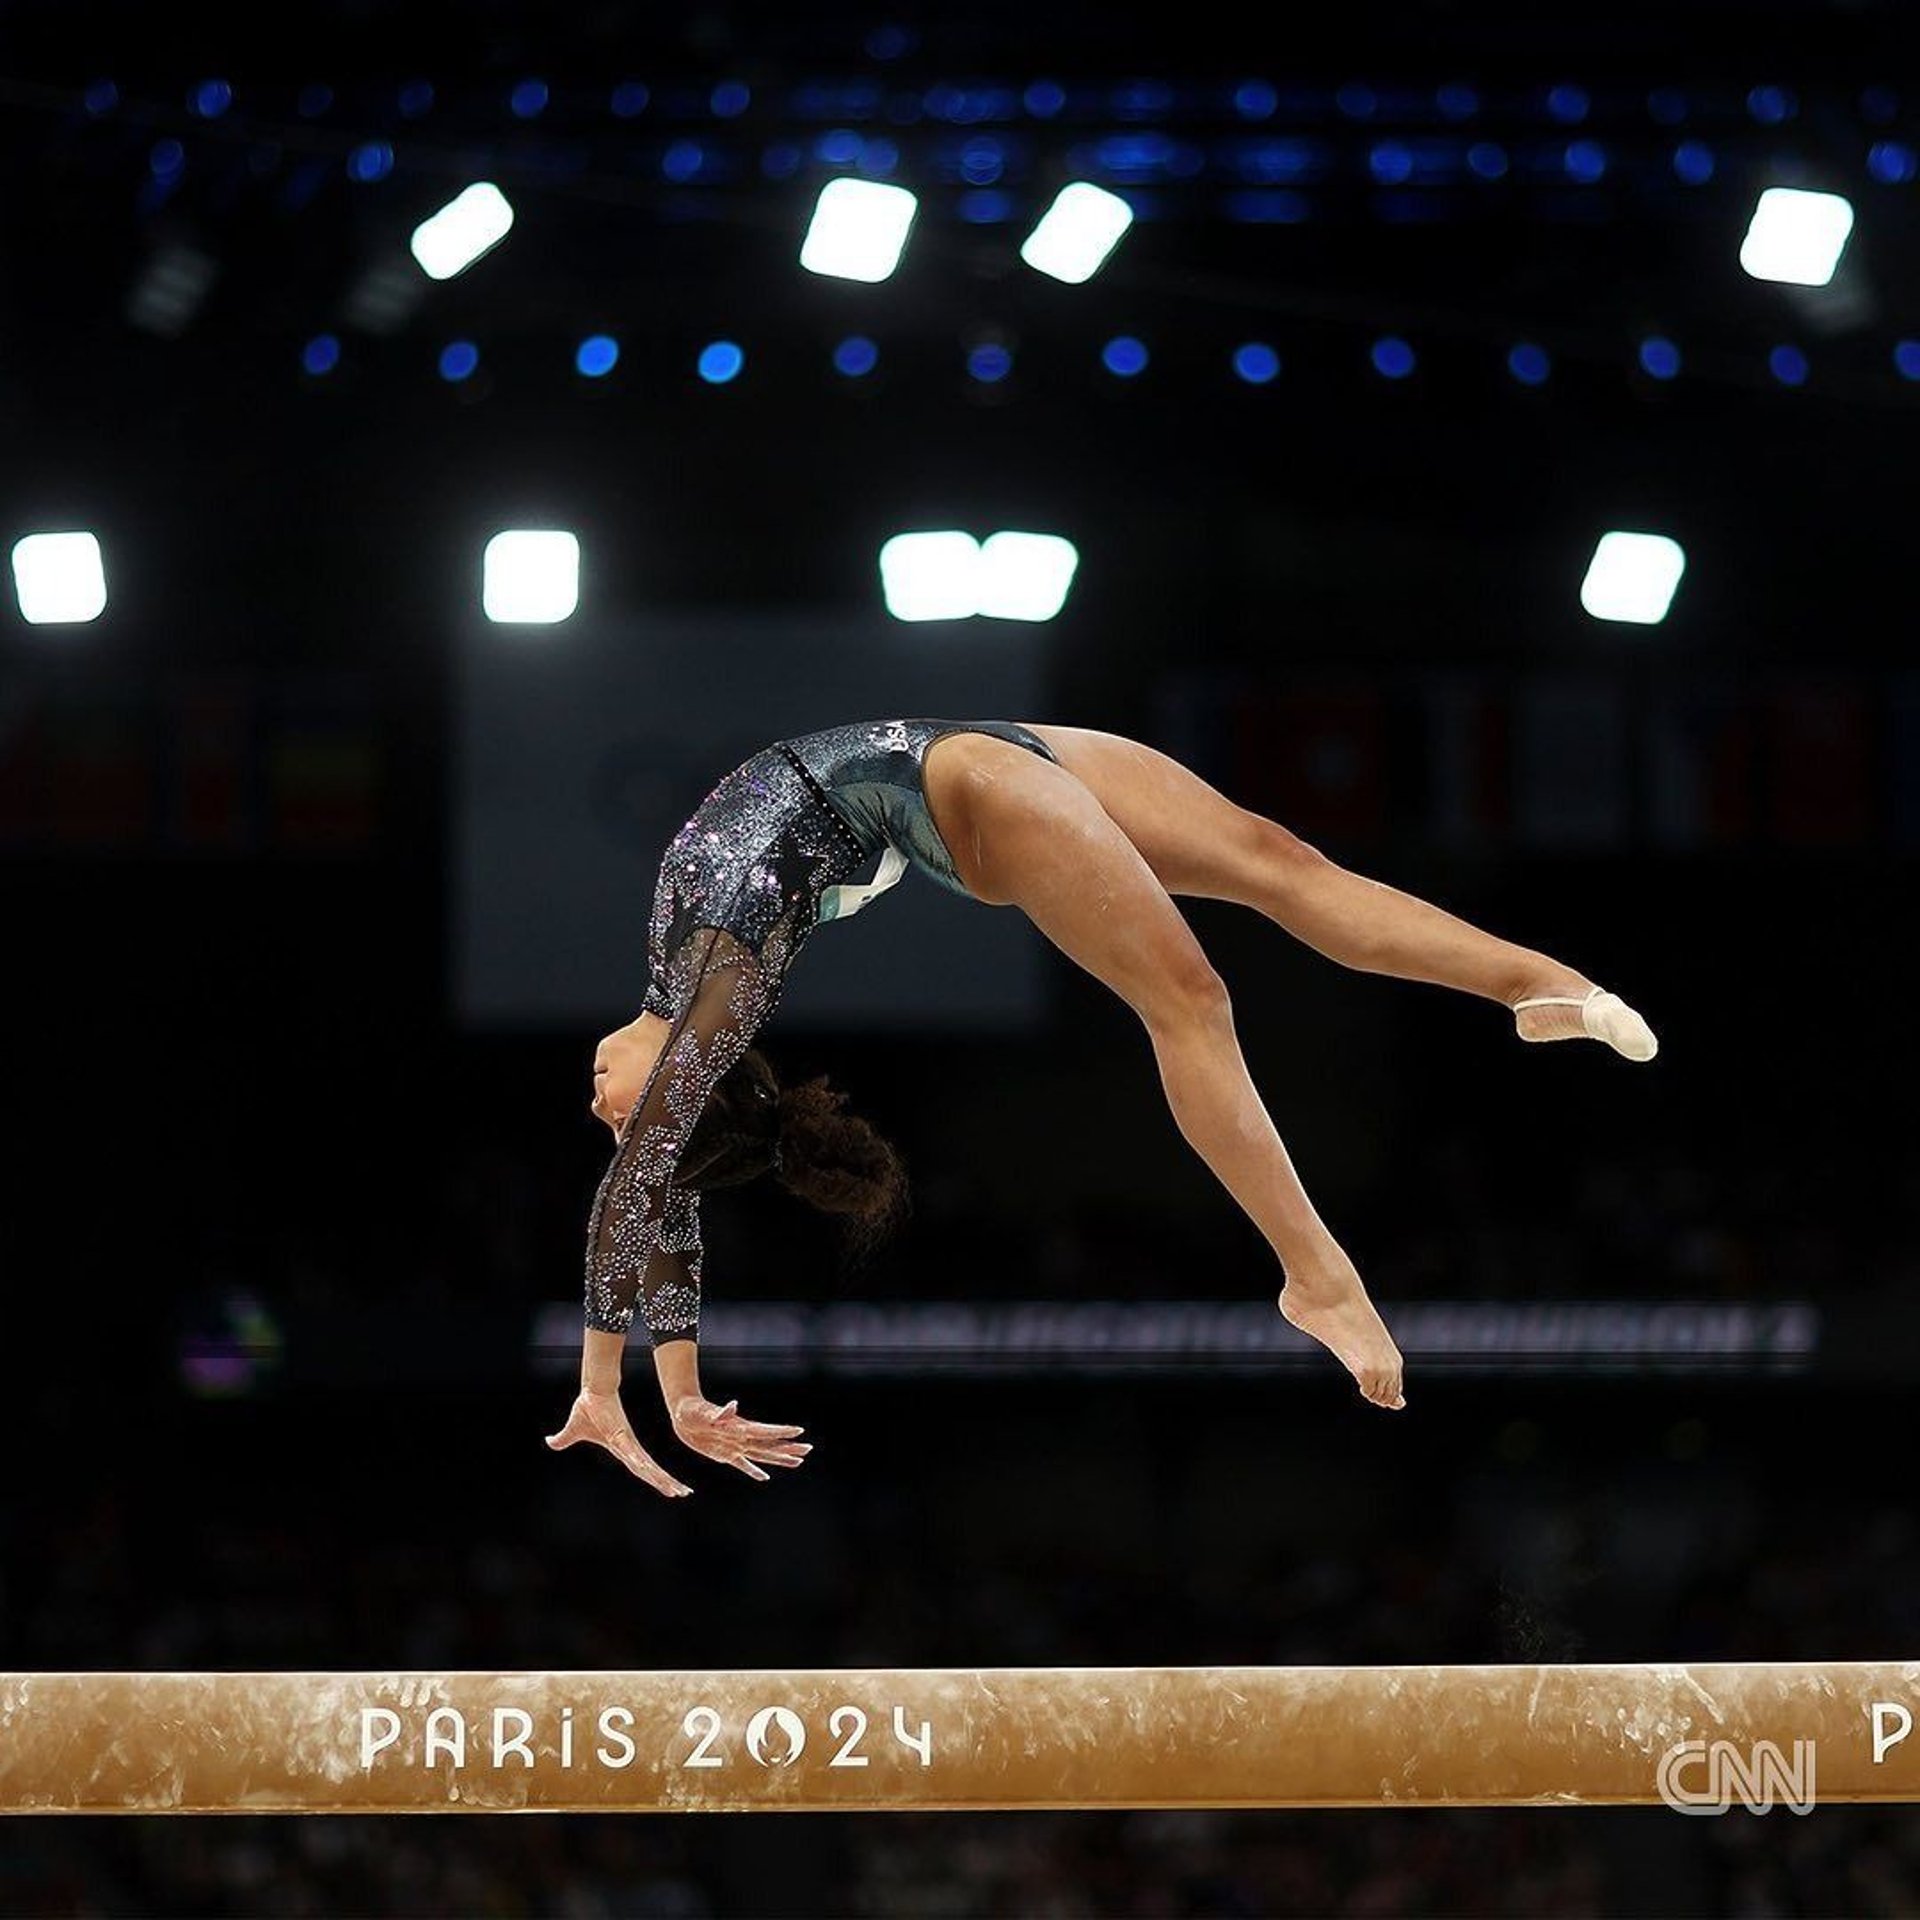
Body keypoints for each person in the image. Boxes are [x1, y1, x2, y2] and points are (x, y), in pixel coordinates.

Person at [546, 718, 1657, 1496]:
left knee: (1283, 862)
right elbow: (646, 1193)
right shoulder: (719, 998)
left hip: (979, 746)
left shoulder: (674, 981)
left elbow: (656, 1190)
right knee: (1191, 997)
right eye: (633, 1125)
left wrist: (676, 1397)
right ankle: (1319, 1277)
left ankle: (1536, 985)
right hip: (968, 794)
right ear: (703, 1090)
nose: (613, 1113)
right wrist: (617, 1386)